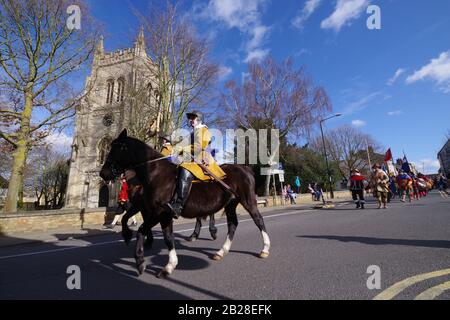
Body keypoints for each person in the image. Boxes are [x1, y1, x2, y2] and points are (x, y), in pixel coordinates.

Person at [165, 110, 227, 219]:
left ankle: (178, 205)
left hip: (202, 159)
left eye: (193, 118)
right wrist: (171, 144)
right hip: (192, 158)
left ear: (198, 119)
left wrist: (182, 148)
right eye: (190, 118)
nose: (190, 120)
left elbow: (198, 147)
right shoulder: (192, 132)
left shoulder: (204, 130)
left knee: (185, 168)